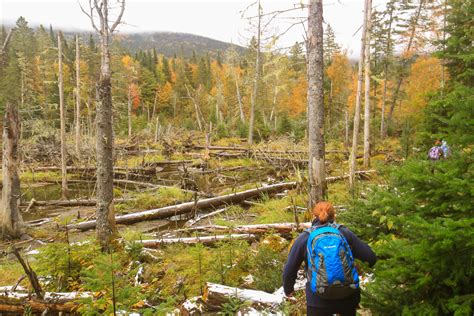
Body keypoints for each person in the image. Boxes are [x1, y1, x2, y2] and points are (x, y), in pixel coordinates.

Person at [282, 201, 376, 316]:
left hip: (317, 300)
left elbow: (289, 269)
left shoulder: (305, 238)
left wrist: (288, 290)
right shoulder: (343, 233)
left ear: (313, 216)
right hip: (348, 297)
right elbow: (370, 258)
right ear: (334, 216)